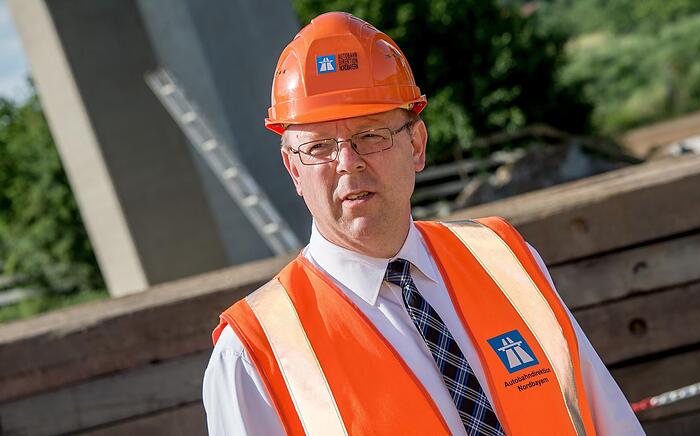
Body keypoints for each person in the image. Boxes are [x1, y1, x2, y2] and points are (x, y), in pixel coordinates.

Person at [202, 11, 644, 436]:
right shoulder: (253, 355)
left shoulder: (505, 261)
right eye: (318, 147)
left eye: (370, 135)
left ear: (416, 144)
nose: (347, 164)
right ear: (293, 169)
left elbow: (610, 421)